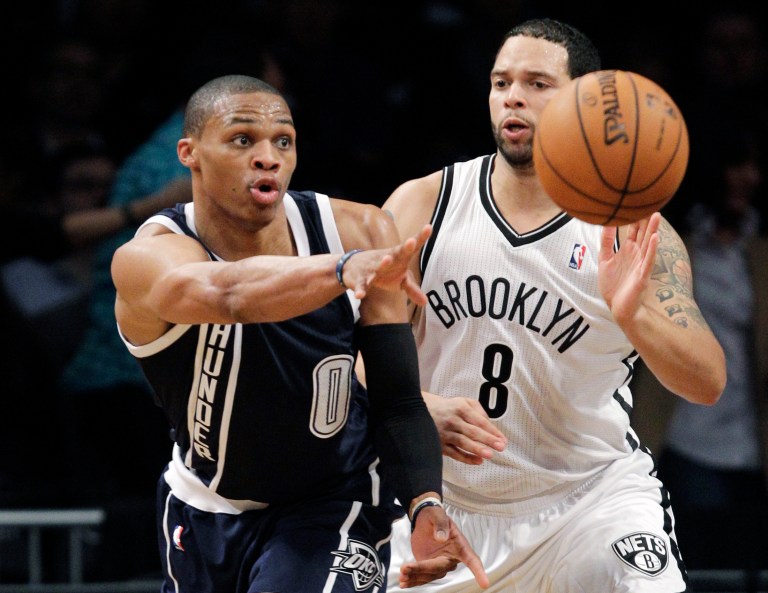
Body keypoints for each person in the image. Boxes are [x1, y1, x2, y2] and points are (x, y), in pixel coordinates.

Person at [382, 18, 726, 592]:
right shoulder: (422, 206)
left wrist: (635, 314)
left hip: (588, 505)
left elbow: (707, 381)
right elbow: (348, 359)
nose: (512, 96)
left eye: (538, 84)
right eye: (500, 82)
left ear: (584, 103)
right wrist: (413, 404)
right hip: (443, 507)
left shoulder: (634, 231)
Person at [110, 74, 489, 593]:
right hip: (203, 504)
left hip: (335, 501)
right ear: (189, 153)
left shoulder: (360, 230)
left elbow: (397, 400)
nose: (268, 157)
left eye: (282, 142)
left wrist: (425, 503)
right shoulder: (148, 257)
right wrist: (339, 271)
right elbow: (226, 296)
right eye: (243, 140)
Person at [632, 128, 768, 570]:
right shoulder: (673, 244)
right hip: (687, 440)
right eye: (736, 164)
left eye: (754, 166)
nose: (748, 176)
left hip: (750, 442)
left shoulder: (759, 252)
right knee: (694, 569)